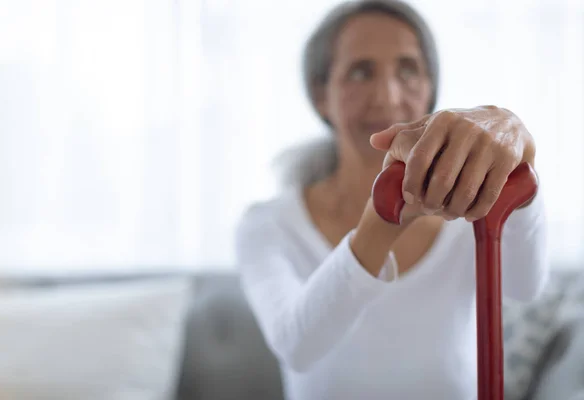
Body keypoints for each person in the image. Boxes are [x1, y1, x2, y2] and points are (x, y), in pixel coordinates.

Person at [234, 1, 548, 399]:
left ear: (431, 87)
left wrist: (519, 168)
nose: (386, 96)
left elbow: (525, 286)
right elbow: (296, 346)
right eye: (360, 72)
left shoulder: (470, 204)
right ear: (320, 96)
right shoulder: (268, 225)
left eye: (408, 70)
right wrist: (382, 220)